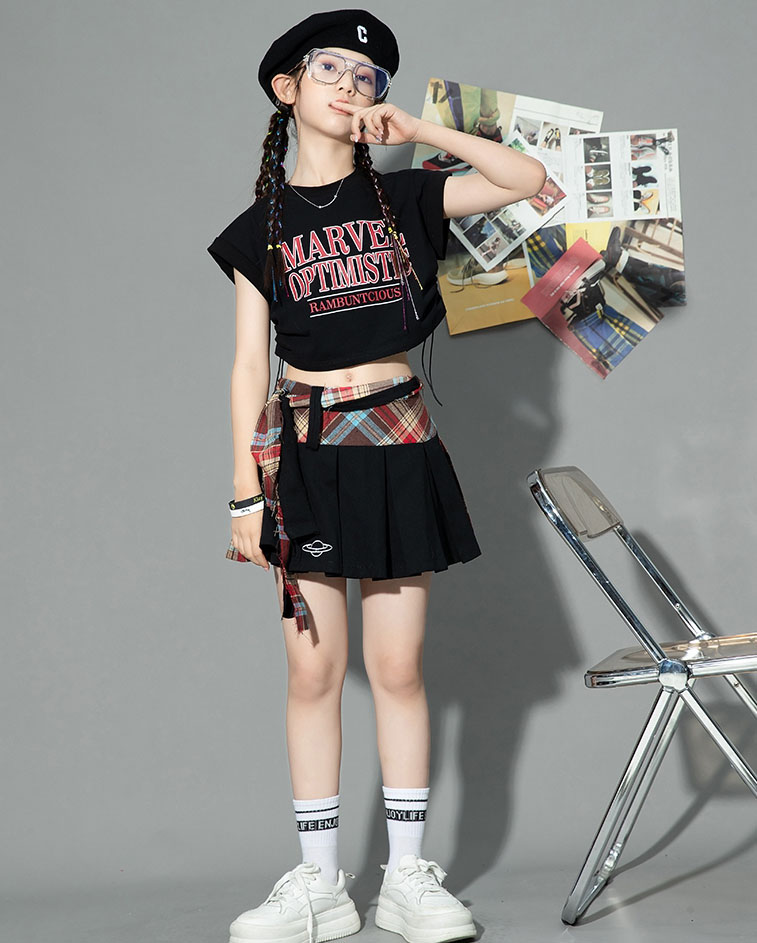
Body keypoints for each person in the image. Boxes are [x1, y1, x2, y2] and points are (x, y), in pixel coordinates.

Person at [206, 10, 546, 943]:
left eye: (368, 77)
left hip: (399, 444)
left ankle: (405, 879)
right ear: (286, 88)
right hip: (304, 455)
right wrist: (243, 491)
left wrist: (420, 130)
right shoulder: (256, 230)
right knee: (313, 669)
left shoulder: (408, 197)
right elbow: (247, 365)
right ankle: (318, 885)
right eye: (331, 68)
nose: (352, 85)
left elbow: (527, 181)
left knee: (397, 667)